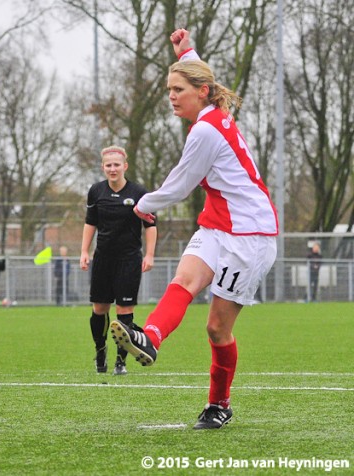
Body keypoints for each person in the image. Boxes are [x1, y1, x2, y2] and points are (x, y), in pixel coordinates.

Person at [110, 29, 278, 429]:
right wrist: (186, 51)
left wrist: (141, 205)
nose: (171, 95)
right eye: (169, 88)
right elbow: (202, 74)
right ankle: (148, 336)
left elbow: (179, 187)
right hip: (219, 224)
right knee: (184, 280)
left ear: (201, 91)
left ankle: (219, 403)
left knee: (217, 328)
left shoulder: (205, 130)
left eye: (177, 88)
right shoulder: (210, 113)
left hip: (250, 236)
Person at [80, 145, 157, 376]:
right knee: (100, 309)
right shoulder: (96, 192)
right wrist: (84, 251)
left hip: (129, 259)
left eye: (116, 165)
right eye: (108, 165)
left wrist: (150, 254)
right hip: (103, 258)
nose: (112, 169)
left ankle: (120, 362)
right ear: (103, 167)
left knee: (124, 312)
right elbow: (90, 222)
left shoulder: (139, 193)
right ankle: (100, 350)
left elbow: (150, 225)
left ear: (125, 166)